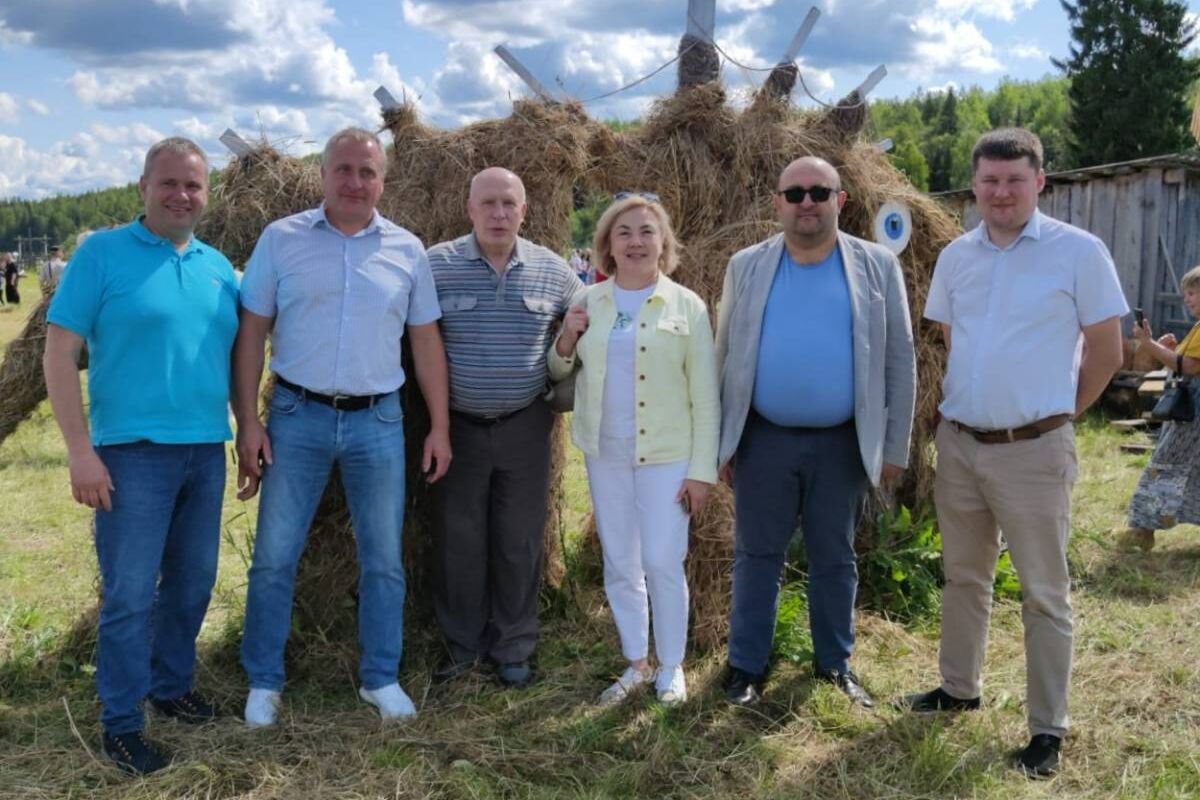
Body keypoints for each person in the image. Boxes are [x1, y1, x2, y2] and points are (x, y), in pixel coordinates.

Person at [905, 128, 1126, 779]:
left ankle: (1045, 729)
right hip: (963, 445)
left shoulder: (1079, 252)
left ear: (1040, 182)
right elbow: (952, 338)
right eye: (990, 181)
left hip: (1035, 450)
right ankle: (958, 687)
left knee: (1043, 594)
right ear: (973, 186)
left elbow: (1108, 350)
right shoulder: (957, 257)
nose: (1001, 192)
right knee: (964, 577)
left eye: (1015, 179)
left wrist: (1058, 418)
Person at [234, 127, 451, 726]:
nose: (356, 182)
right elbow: (251, 332)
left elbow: (425, 341)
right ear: (322, 174)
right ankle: (264, 680)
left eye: (368, 172)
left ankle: (380, 678)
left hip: (378, 421)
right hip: (295, 416)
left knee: (383, 557)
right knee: (276, 555)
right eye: (344, 170)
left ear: (383, 180)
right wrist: (248, 420)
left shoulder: (407, 249)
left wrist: (439, 426)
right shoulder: (281, 240)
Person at [42, 137, 239, 775]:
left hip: (206, 451)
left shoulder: (217, 265)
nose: (182, 195)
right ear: (143, 188)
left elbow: (237, 356)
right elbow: (58, 354)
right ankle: (122, 723)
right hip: (130, 457)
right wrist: (80, 452)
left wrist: (249, 427)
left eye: (193, 185)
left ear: (206, 194)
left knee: (192, 582)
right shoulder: (101, 254)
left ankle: (171, 686)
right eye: (169, 183)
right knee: (130, 593)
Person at [716, 156, 916, 710]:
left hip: (842, 442)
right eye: (795, 192)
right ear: (777, 202)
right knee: (756, 556)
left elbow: (901, 359)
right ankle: (746, 667)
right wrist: (722, 440)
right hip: (764, 438)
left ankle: (834, 665)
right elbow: (725, 353)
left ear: (840, 200)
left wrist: (893, 444)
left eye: (819, 192)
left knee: (835, 557)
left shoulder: (877, 266)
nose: (807, 202)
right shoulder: (745, 266)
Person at [549, 192, 719, 705]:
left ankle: (671, 666)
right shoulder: (589, 302)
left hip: (668, 455)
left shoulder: (685, 305)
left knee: (664, 560)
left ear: (663, 242)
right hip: (606, 452)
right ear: (607, 246)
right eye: (624, 232)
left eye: (647, 231)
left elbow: (705, 396)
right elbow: (559, 373)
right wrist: (564, 340)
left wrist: (702, 471)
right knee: (621, 562)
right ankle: (636, 664)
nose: (636, 241)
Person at [425, 167, 584, 687]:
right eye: (488, 203)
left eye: (508, 204)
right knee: (459, 540)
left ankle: (514, 646)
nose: (498, 213)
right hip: (459, 429)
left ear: (524, 211)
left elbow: (589, 323)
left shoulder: (554, 271)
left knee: (519, 541)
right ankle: (461, 648)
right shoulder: (436, 266)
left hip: (525, 426)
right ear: (469, 209)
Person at [1119, 265, 1200, 552]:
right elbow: (1186, 361)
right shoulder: (1197, 327)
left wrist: (1148, 343)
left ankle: (1142, 529)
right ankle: (1144, 527)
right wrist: (1169, 348)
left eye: (1192, 293)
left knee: (1164, 464)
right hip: (1191, 411)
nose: (1187, 299)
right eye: (1185, 294)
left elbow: (1190, 367)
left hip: (1193, 417)